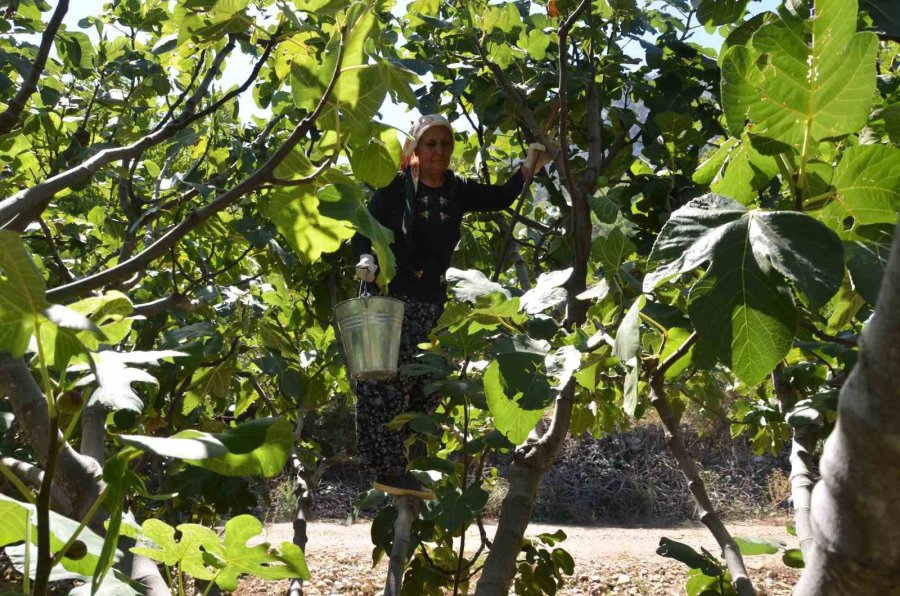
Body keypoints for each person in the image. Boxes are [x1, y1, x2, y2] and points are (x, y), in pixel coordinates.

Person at [350, 114, 551, 499]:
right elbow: (364, 229)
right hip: (391, 299)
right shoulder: (395, 190)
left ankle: (399, 460)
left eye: (445, 144)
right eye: (431, 144)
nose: (439, 151)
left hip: (432, 302)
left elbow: (497, 198)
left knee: (426, 387)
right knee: (385, 384)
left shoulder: (455, 190)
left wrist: (528, 168)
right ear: (416, 150)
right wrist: (367, 261)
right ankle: (387, 469)